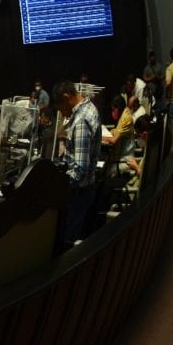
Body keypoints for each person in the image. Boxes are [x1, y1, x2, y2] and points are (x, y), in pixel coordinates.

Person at [53, 80, 100, 243]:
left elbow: (80, 168)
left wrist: (57, 186)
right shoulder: (89, 107)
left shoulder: (80, 120)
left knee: (65, 241)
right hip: (84, 190)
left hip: (78, 193)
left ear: (67, 98)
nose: (64, 114)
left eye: (61, 109)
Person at [102, 94, 135, 159]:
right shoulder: (124, 113)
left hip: (125, 157)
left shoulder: (126, 118)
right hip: (120, 154)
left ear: (119, 108)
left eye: (113, 110)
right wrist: (114, 131)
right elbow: (121, 132)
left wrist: (100, 137)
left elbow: (113, 140)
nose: (112, 112)